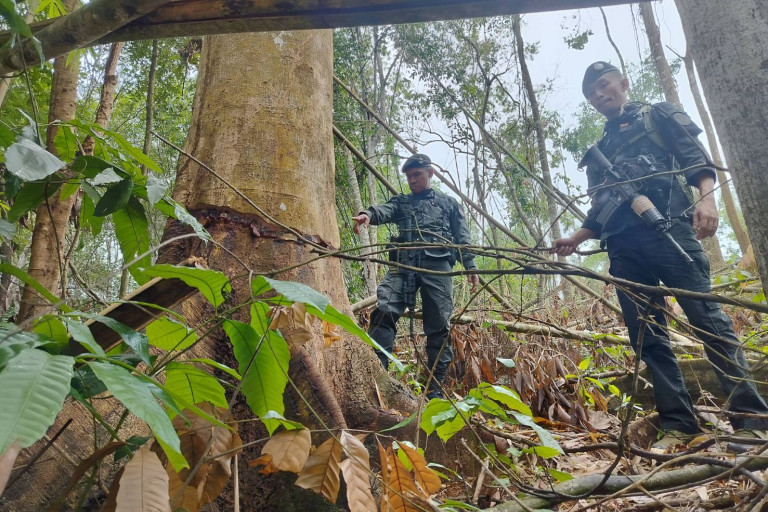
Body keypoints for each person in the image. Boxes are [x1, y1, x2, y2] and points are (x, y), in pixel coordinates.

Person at [551, 61, 768, 452]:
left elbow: (696, 159)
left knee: (708, 320)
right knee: (647, 337)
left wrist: (707, 201)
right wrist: (575, 238)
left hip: (670, 231)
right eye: (591, 93)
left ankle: (752, 421)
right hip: (623, 249)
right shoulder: (598, 151)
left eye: (603, 85)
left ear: (623, 83)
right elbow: (600, 208)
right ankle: (679, 425)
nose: (598, 95)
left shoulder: (657, 116)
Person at [352, 154, 479, 399]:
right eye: (409, 176)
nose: (412, 180)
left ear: (430, 173)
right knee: (384, 310)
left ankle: (435, 392)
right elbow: (385, 210)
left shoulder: (448, 204)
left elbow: (462, 237)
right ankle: (379, 381)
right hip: (403, 264)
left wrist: (470, 266)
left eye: (417, 175)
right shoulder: (403, 202)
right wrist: (368, 214)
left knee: (439, 326)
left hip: (438, 265)